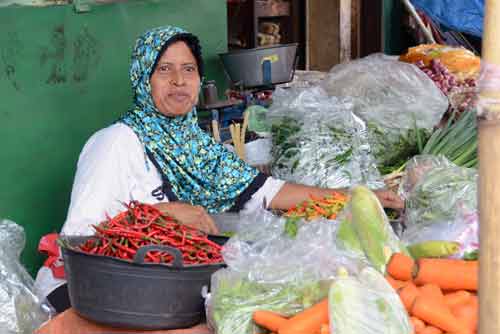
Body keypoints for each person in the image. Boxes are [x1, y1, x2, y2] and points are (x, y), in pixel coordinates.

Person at [34, 26, 403, 314]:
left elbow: (266, 192)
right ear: (142, 78)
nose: (179, 81)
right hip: (86, 291)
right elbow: (78, 239)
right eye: (164, 70)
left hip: (149, 287)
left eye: (188, 69)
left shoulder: (195, 145)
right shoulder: (116, 142)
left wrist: (353, 199)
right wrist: (164, 215)